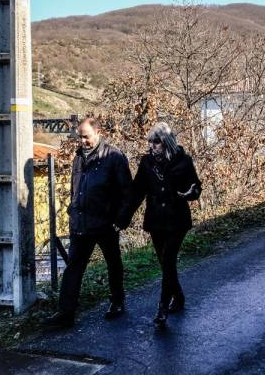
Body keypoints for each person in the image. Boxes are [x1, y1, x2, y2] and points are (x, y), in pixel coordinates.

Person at [45, 117, 133, 328]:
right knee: (73, 268)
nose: (83, 141)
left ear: (98, 132)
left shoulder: (114, 156)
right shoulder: (78, 158)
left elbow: (127, 192)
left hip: (106, 223)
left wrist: (121, 219)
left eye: (86, 137)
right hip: (81, 224)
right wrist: (72, 211)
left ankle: (117, 302)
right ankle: (66, 314)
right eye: (80, 137)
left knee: (113, 263)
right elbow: (76, 189)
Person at [118, 122, 202, 328]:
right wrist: (123, 218)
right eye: (150, 142)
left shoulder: (184, 160)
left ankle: (163, 307)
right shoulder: (147, 163)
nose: (152, 146)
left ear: (166, 142)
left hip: (177, 219)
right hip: (156, 220)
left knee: (168, 260)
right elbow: (137, 191)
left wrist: (191, 193)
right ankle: (179, 298)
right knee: (164, 263)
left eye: (156, 142)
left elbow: (196, 186)